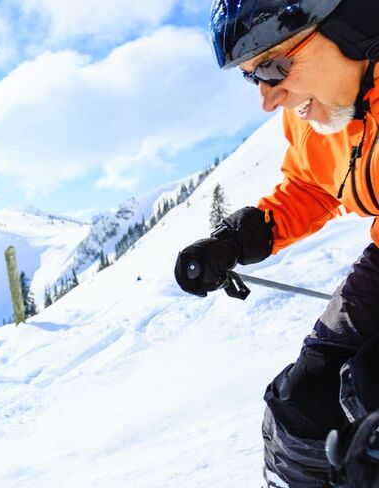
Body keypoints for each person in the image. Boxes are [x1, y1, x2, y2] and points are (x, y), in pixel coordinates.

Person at [174, 1, 379, 486]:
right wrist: (235, 242)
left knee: (370, 385)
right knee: (304, 400)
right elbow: (311, 185)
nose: (268, 99)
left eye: (274, 66)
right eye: (254, 77)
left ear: (355, 25)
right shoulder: (321, 114)